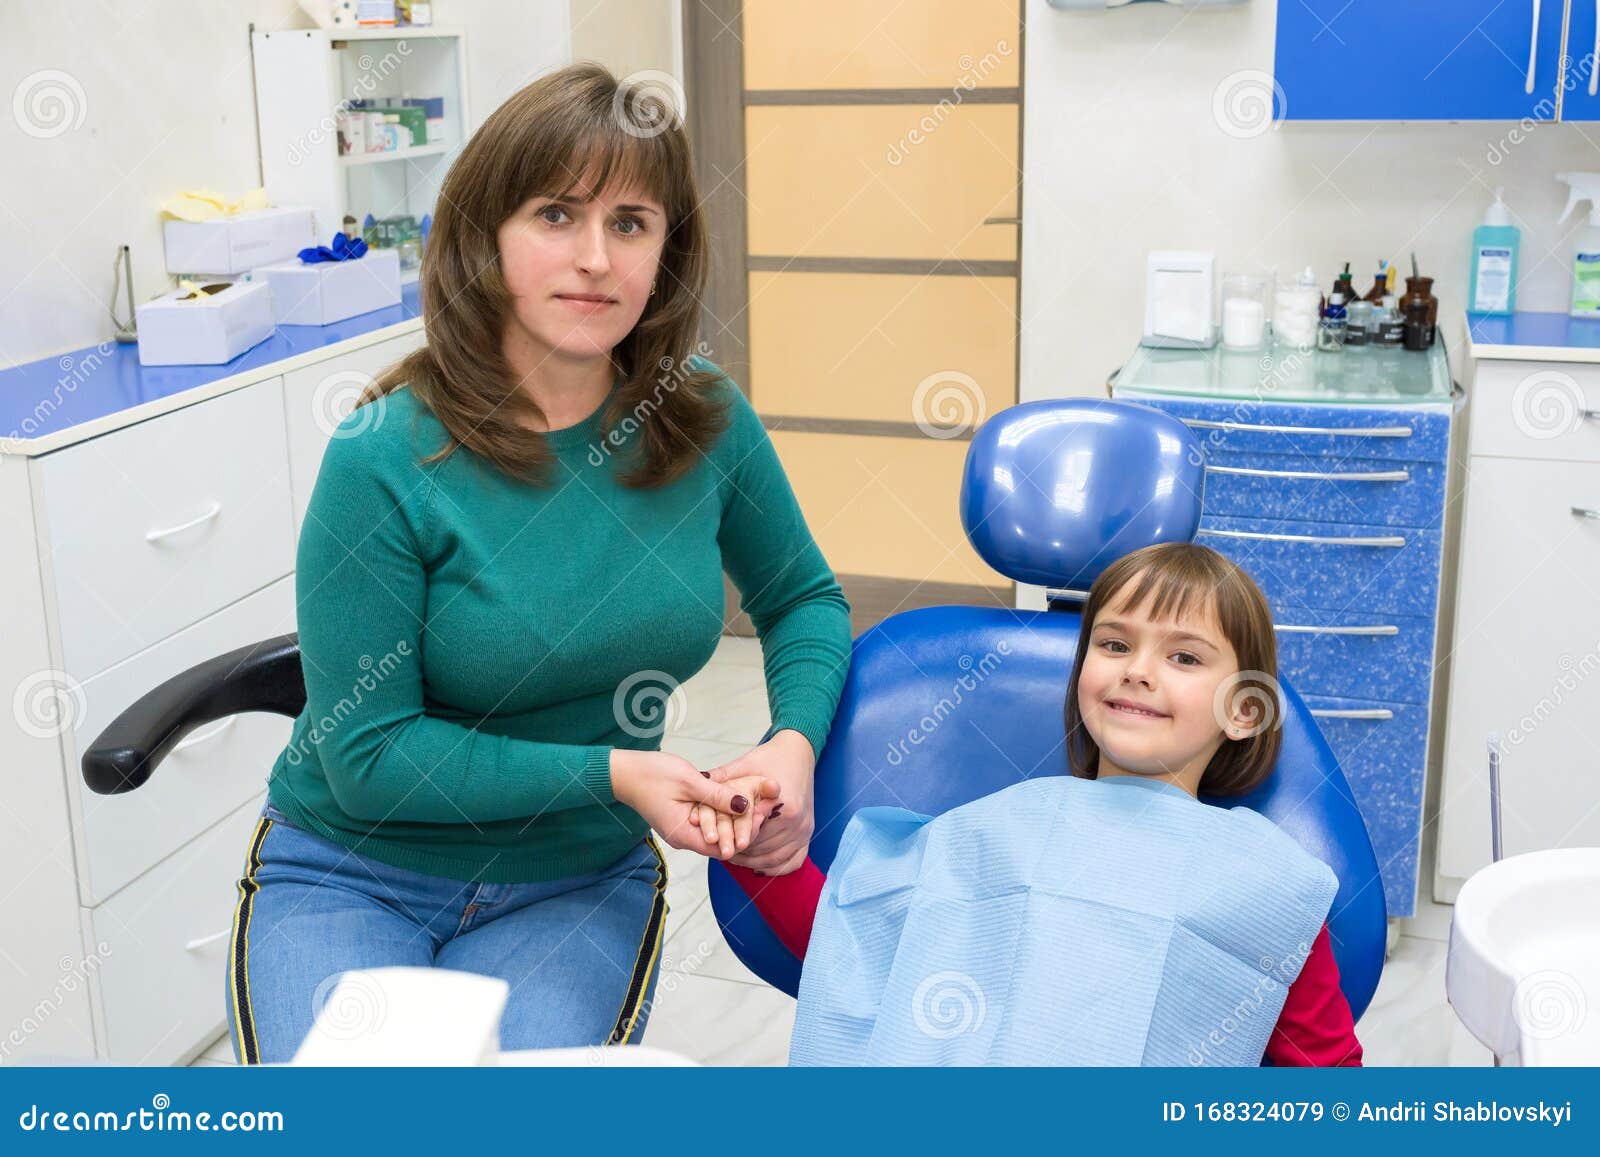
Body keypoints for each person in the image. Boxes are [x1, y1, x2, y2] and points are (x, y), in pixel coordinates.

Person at [223, 62, 848, 1064]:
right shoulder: (386, 452)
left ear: (666, 255)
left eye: (632, 223)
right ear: (486, 239)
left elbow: (802, 597)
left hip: (573, 879)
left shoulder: (701, 414)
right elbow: (369, 755)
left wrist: (792, 743)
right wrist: (613, 770)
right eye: (556, 214)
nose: (596, 258)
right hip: (354, 869)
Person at [716, 542, 1363, 1066]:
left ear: (1245, 710)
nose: (1137, 669)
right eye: (1113, 644)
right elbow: (856, 939)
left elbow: (1326, 1076)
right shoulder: (998, 831)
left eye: (1184, 656)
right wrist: (757, 845)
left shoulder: (1263, 886)